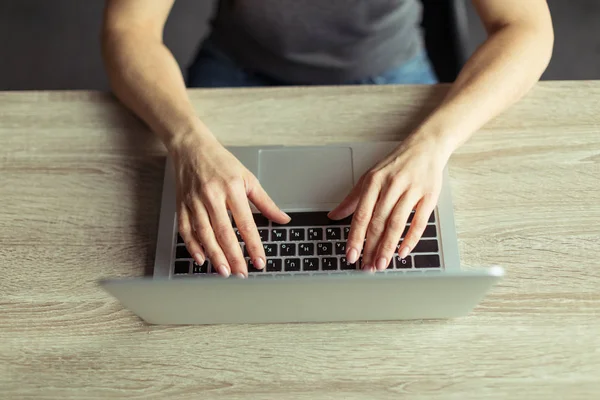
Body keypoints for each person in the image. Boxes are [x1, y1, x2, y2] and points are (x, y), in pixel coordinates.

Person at [101, 0, 554, 278]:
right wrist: (186, 141)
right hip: (238, 67)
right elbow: (129, 27)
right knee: (191, 245)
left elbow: (525, 26)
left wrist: (433, 143)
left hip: (390, 73)